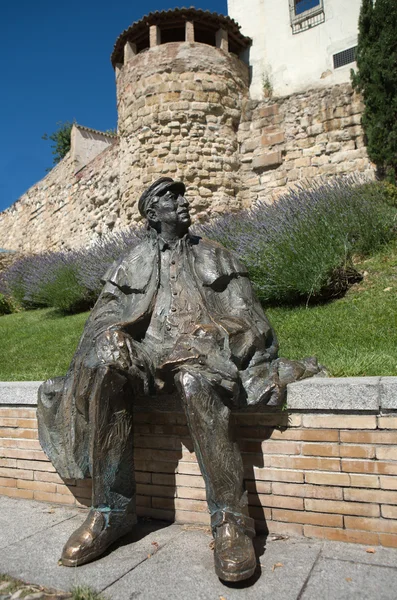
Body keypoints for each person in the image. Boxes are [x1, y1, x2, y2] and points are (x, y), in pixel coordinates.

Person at [37, 177, 322, 582]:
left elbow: (253, 322)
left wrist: (217, 331)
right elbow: (101, 319)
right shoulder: (130, 262)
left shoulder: (216, 255)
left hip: (197, 351)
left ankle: (230, 521)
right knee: (104, 369)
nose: (183, 202)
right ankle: (110, 510)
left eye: (182, 195)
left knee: (194, 380)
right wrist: (112, 334)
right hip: (148, 353)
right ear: (152, 214)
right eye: (170, 198)